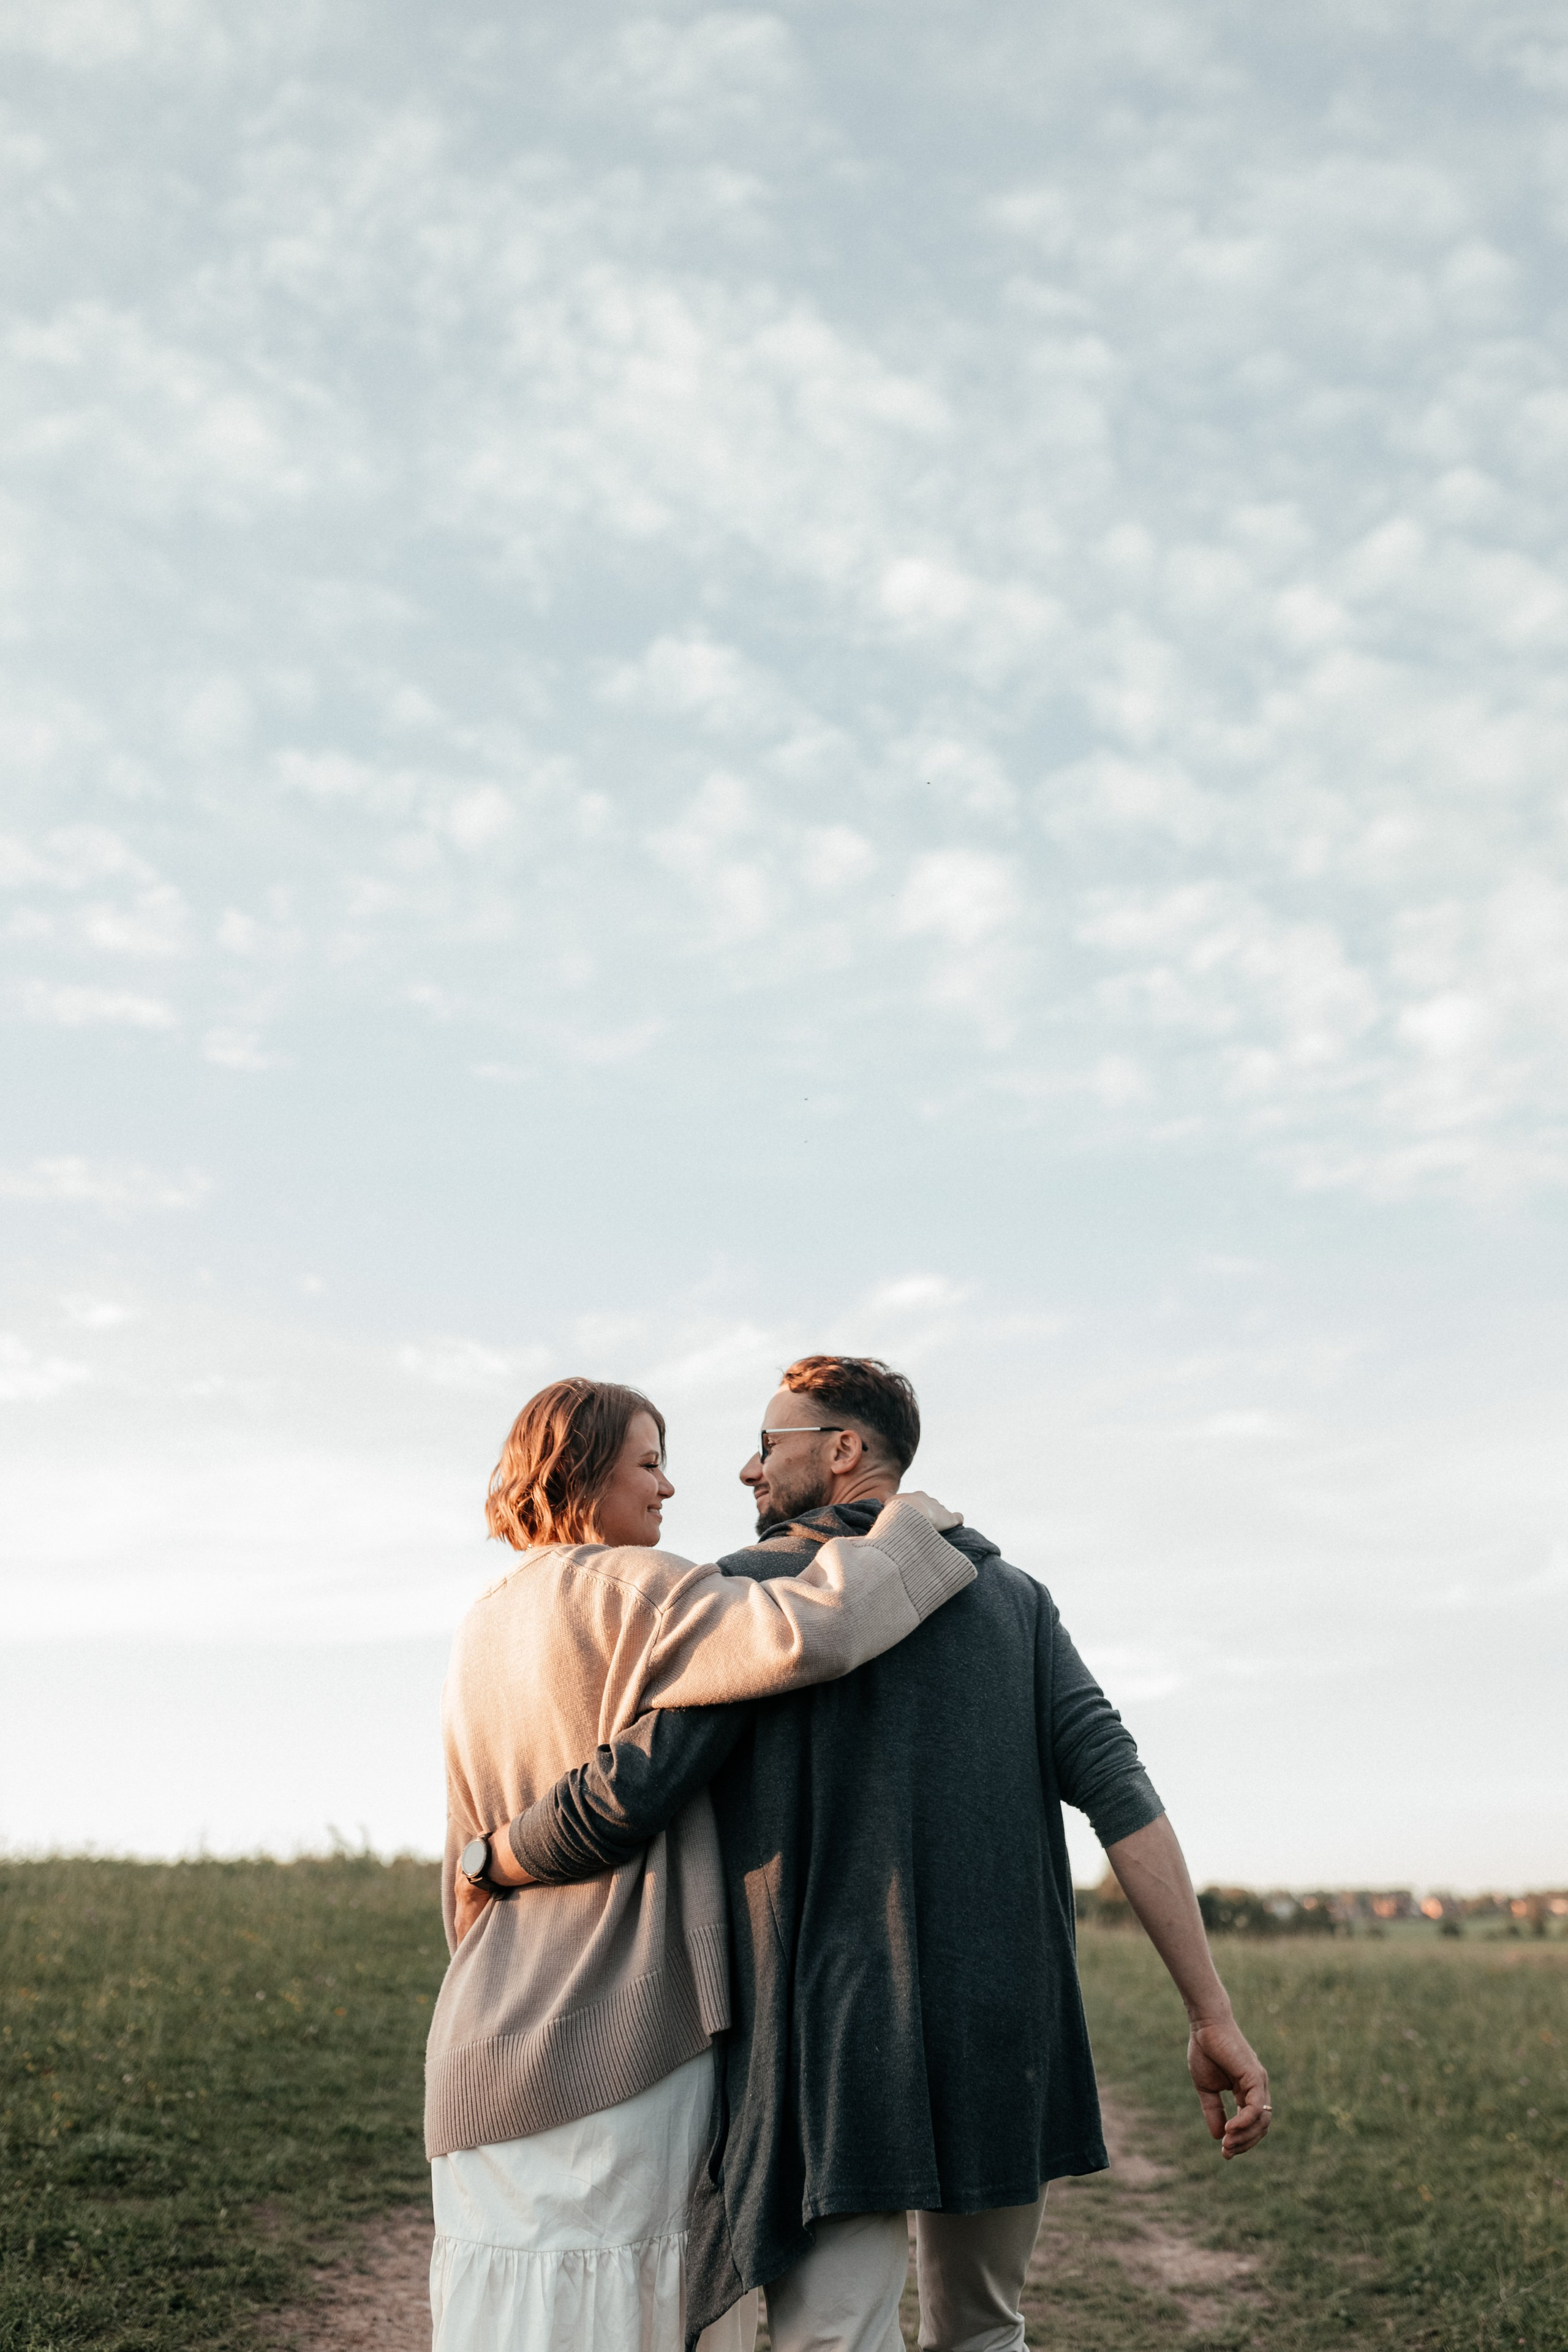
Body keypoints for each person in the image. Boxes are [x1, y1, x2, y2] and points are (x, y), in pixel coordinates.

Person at [473, 1355, 1271, 2352]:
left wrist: (497, 1855)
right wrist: (1212, 2013)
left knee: (834, 2339)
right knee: (986, 2331)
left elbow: (634, 1787)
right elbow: (1123, 1797)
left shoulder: (747, 1598)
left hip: (832, 2037)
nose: (746, 1471)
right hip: (1003, 2022)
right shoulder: (1014, 1600)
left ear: (843, 1450)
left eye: (769, 1444)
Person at [424, 1373, 973, 2352]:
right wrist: (911, 1533)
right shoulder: (642, 1589)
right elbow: (820, 1630)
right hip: (622, 2014)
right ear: (584, 1470)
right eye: (649, 1463)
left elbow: (466, 1842)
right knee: (632, 2301)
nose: (670, 1489)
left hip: (483, 2019)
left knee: (509, 2304)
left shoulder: (482, 1618)